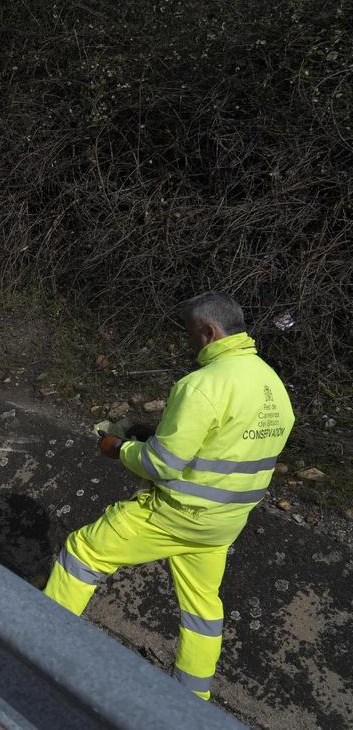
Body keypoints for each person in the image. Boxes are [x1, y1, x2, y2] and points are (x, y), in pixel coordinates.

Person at [43, 292, 294, 700]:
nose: (188, 344)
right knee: (201, 610)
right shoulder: (271, 383)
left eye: (191, 334)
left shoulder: (201, 385)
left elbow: (162, 465)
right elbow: (226, 447)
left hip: (177, 513)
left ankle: (37, 640)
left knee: (83, 552)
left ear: (209, 331)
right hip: (224, 524)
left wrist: (117, 448)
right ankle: (193, 702)